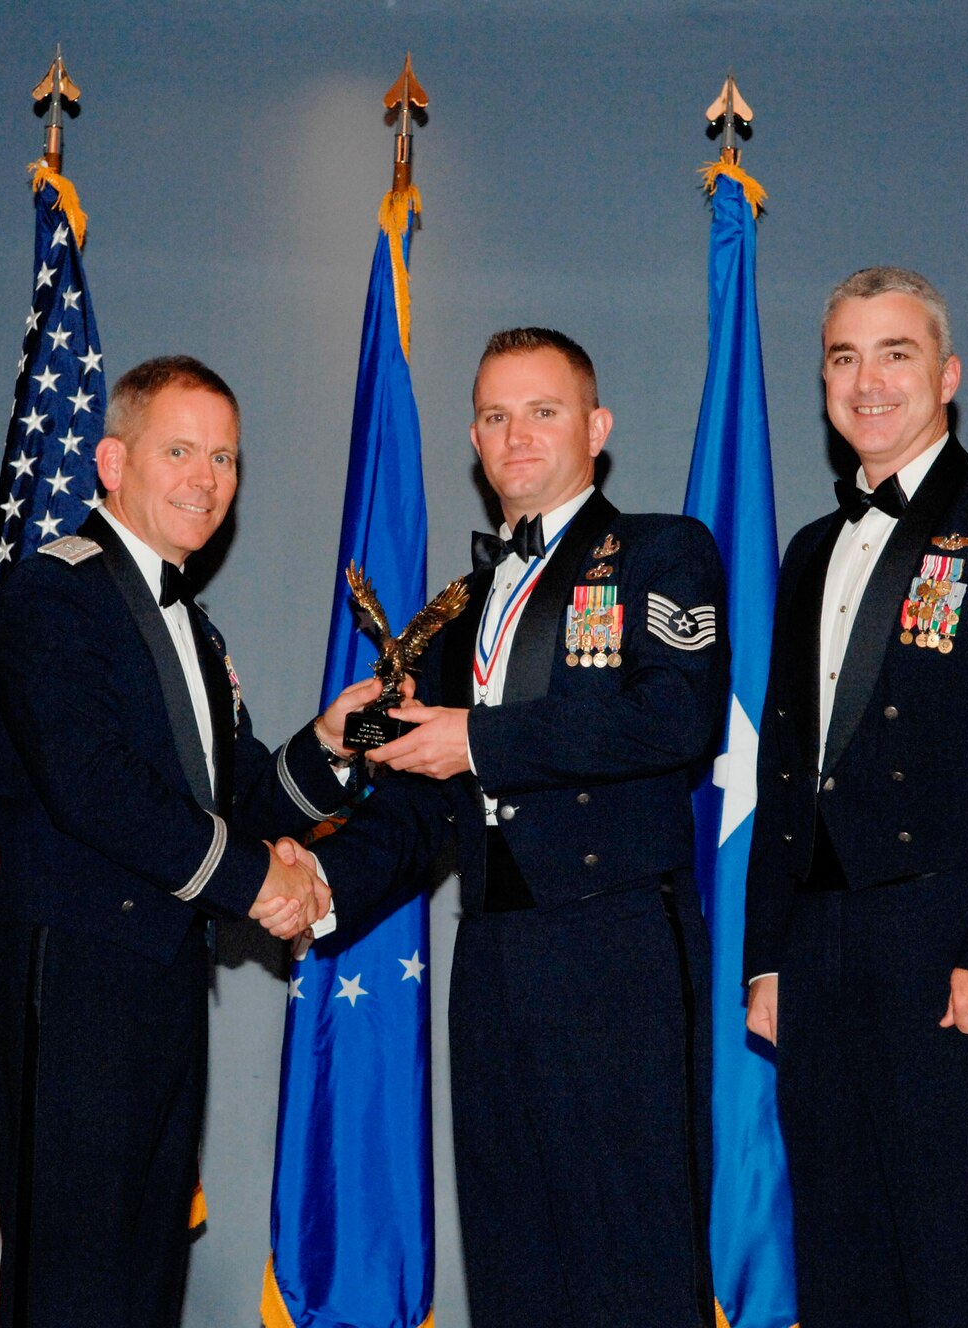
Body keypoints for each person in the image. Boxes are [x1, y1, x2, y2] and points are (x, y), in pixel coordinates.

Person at [282, 328, 730, 1327]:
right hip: (489, 955)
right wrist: (315, 887)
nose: (514, 434)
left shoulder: (663, 549)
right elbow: (415, 803)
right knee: (512, 1257)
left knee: (634, 1256)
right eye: (492, 415)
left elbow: (673, 714)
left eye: (542, 409)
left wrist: (480, 737)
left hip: (614, 945)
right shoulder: (458, 607)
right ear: (473, 440)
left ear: (596, 427)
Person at [0, 355, 379, 1328]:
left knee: (145, 1280)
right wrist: (254, 886)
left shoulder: (191, 629)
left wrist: (328, 747)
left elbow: (234, 799)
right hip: (72, 984)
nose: (206, 477)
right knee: (75, 1285)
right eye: (181, 450)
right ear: (111, 460)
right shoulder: (50, 595)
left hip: (159, 984)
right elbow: (97, 790)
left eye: (226, 456)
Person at [742, 268, 968, 1326]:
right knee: (843, 1270)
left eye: (893, 352)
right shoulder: (812, 549)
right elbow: (784, 766)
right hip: (819, 956)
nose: (867, 380)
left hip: (950, 947)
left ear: (944, 374)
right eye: (842, 357)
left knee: (963, 1275)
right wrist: (769, 952)